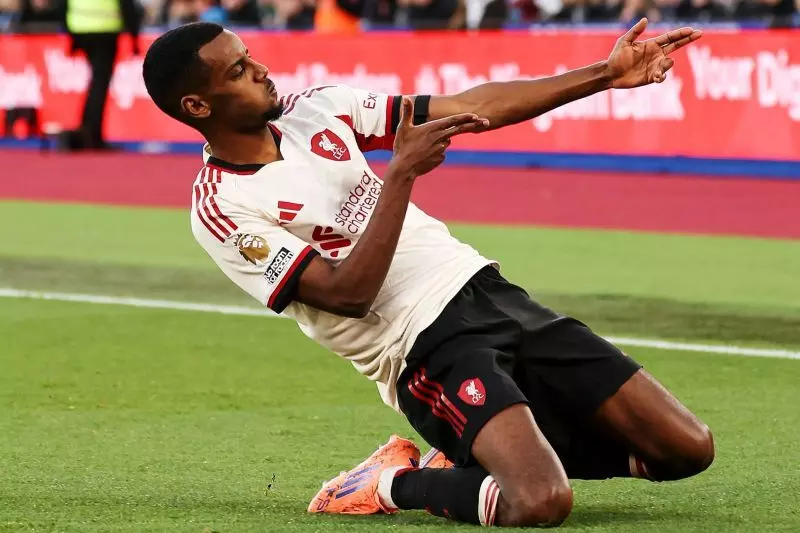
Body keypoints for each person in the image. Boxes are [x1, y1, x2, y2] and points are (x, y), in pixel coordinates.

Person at [142, 20, 712, 527]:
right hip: (421, 346)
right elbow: (348, 294)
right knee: (539, 502)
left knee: (685, 449)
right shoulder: (223, 207)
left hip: (487, 290)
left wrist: (603, 76)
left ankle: (474, 454)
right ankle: (388, 484)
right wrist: (400, 176)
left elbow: (472, 105)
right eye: (238, 71)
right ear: (198, 106)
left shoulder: (316, 109)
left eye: (250, 57)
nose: (262, 70)